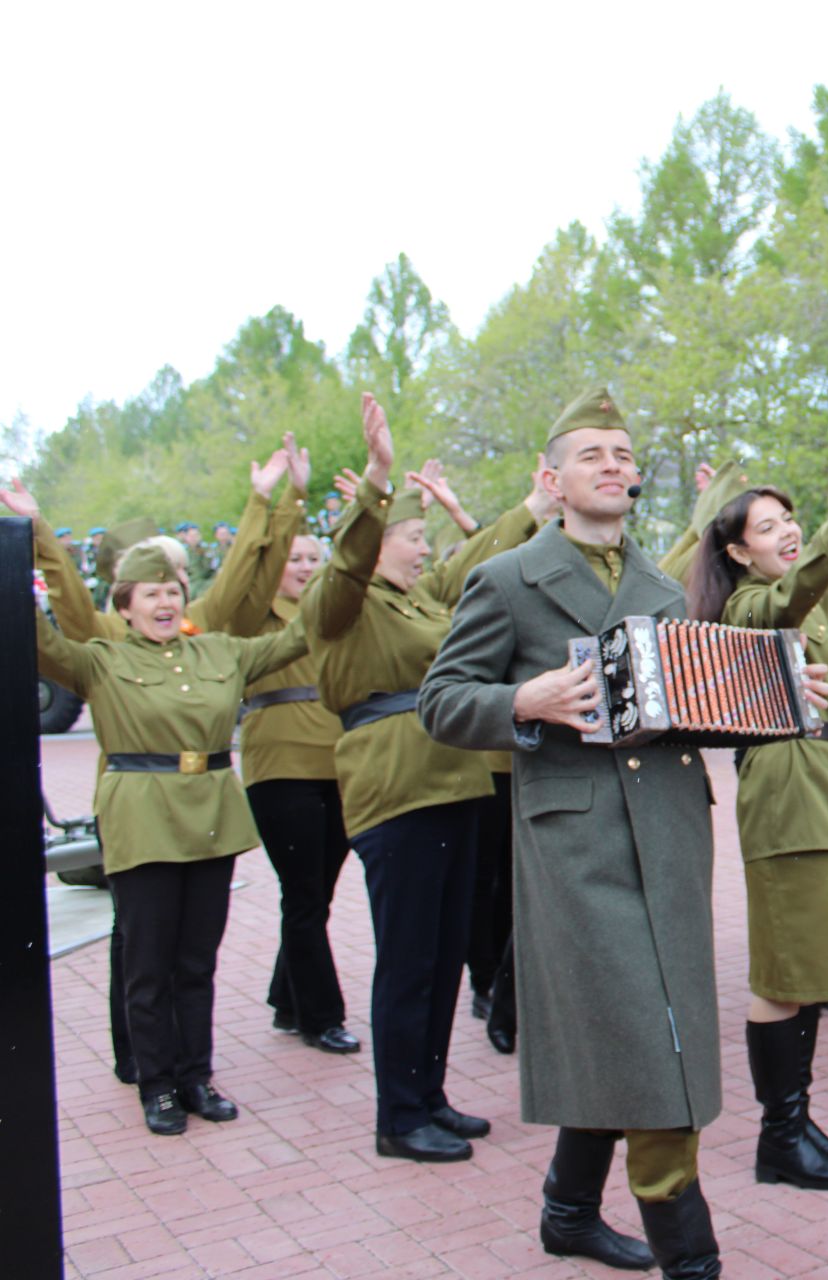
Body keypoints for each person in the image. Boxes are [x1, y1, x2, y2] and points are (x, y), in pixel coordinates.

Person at [421, 386, 742, 1276]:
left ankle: (567, 1214)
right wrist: (522, 700)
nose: (613, 466)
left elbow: (682, 708)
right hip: (579, 849)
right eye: (592, 454)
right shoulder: (507, 579)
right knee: (651, 1045)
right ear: (551, 479)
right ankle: (694, 1262)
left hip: (670, 837)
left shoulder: (658, 585)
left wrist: (778, 701)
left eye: (625, 455)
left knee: (627, 1035)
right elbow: (440, 702)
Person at [304, 394, 543, 1163]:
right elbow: (342, 562)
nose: (420, 548)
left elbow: (473, 569)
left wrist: (532, 506)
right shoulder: (342, 606)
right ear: (376, 545)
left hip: (457, 786)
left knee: (443, 958)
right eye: (411, 537)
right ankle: (399, 1116)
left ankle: (430, 1094)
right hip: (398, 791)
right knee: (409, 959)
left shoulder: (418, 601)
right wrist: (377, 481)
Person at [33, 544, 309, 1133]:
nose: (165, 602)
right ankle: (157, 1085)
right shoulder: (99, 660)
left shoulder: (219, 651)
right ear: (125, 606)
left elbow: (304, 631)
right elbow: (40, 640)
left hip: (209, 816)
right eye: (150, 594)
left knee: (196, 961)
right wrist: (28, 543)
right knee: (147, 963)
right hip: (142, 821)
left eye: (172, 592)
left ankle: (196, 1077)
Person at [683, 467, 828, 1192]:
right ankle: (779, 1137)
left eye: (790, 519)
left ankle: (796, 1121)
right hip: (790, 791)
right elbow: (789, 601)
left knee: (811, 966)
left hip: (820, 784)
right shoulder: (750, 607)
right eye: (768, 527)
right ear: (736, 553)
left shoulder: (801, 606)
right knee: (785, 972)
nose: (788, 531)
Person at [190, 447, 363, 1055]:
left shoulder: (327, 612)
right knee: (305, 894)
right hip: (280, 766)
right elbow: (243, 573)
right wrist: (281, 499)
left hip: (338, 763)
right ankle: (321, 1015)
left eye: (315, 558)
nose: (306, 566)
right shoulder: (252, 617)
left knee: (321, 890)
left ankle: (287, 999)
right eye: (295, 558)